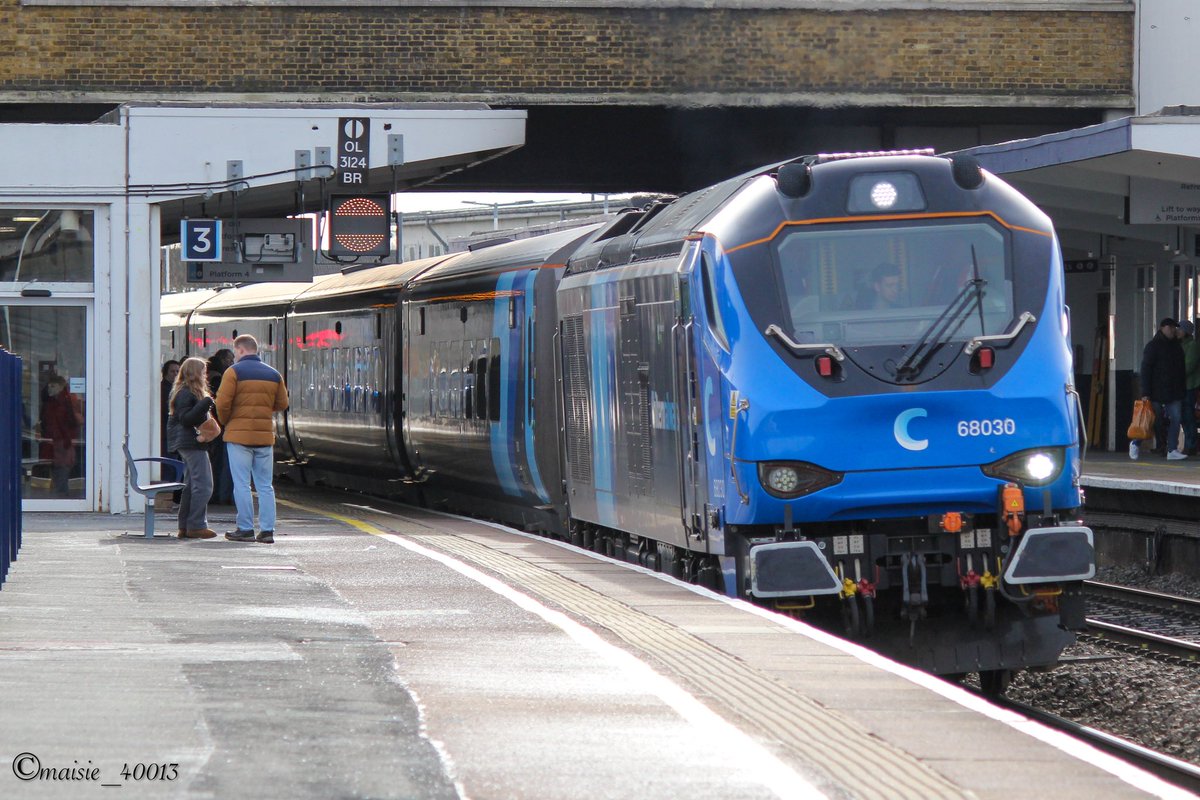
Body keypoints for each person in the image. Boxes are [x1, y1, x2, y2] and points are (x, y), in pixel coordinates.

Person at [216, 334, 289, 544]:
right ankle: (267, 531)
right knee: (265, 485)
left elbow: (222, 403)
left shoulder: (233, 372)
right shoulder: (274, 374)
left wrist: (226, 421)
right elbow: (282, 404)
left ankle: (245, 528)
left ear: (239, 350)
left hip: (238, 435)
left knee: (241, 484)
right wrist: (263, 409)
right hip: (264, 435)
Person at [166, 357, 217, 538]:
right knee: (204, 485)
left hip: (187, 443)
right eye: (203, 372)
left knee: (191, 485)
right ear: (195, 373)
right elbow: (186, 419)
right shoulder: (187, 393)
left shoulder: (182, 391)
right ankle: (196, 525)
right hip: (191, 443)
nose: (205, 376)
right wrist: (206, 403)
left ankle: (185, 526)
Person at [1132, 317, 1188, 461]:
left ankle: (1172, 449)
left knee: (1176, 418)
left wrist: (1182, 388)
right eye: (1170, 327)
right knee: (1151, 419)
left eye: (1174, 328)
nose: (1173, 330)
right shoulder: (1153, 346)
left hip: (1173, 390)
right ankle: (1136, 442)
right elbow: (1146, 369)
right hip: (1155, 391)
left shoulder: (1177, 347)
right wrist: (1145, 392)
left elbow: (1181, 369)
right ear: (1162, 328)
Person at [39, 374, 82, 496]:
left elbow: (72, 421)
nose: (50, 389)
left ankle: (62, 495)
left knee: (62, 469)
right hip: (56, 441)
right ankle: (61, 495)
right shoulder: (52, 402)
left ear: (61, 387)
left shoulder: (67, 401)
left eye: (53, 386)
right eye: (49, 386)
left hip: (62, 442)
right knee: (57, 469)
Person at [206, 349, 235, 505]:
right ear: (222, 361)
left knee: (215, 462)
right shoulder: (219, 381)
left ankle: (216, 493)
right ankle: (222, 495)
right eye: (230, 360)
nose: (232, 364)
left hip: (212, 427)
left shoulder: (208, 381)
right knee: (222, 464)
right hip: (219, 428)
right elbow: (222, 406)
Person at [160, 360, 181, 498]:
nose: (175, 374)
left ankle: (173, 494)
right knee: (170, 465)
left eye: (177, 371)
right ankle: (169, 495)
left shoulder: (175, 389)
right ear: (165, 373)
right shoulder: (165, 390)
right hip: (167, 434)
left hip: (173, 434)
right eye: (173, 371)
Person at [1181, 320, 1200, 455]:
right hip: (1182, 386)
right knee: (1183, 415)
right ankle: (1188, 443)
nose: (1177, 331)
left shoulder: (1193, 346)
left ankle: (1191, 444)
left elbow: (1189, 366)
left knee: (1188, 415)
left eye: (1180, 329)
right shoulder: (1180, 345)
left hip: (1190, 385)